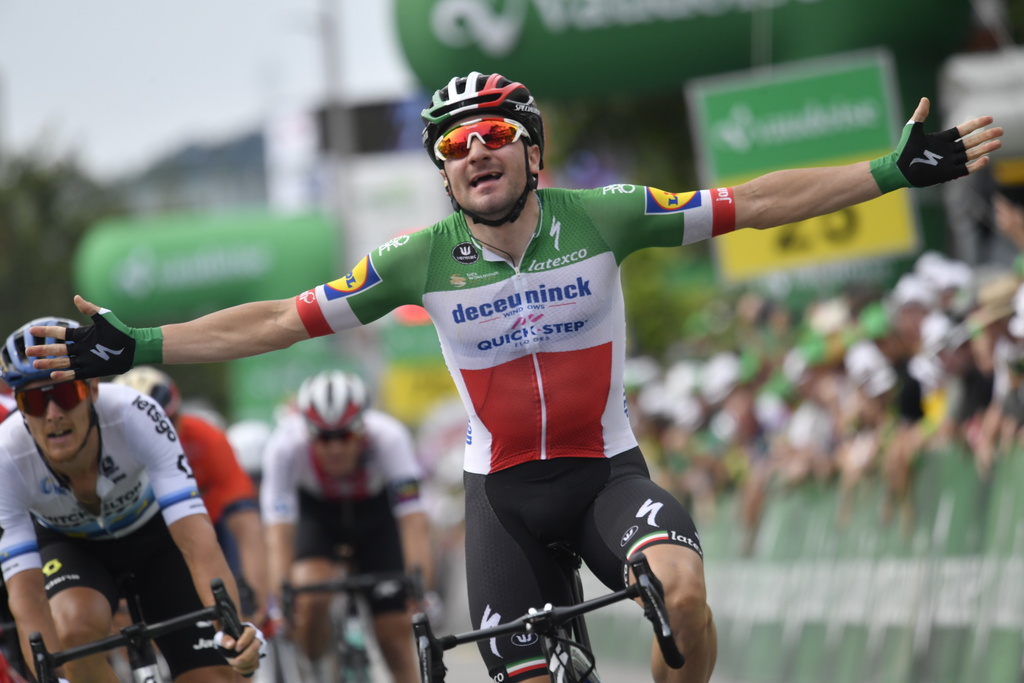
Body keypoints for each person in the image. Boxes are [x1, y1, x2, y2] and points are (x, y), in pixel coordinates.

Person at [26, 72, 1002, 683]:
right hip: (501, 497)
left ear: (531, 149)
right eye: (454, 145)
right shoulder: (416, 258)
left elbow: (756, 202)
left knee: (683, 591)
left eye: (494, 132)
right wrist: (143, 339)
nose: (476, 150)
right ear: (444, 177)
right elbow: (283, 317)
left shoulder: (609, 214)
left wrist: (888, 172)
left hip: (605, 473)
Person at [0, 318, 265, 682]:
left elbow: (196, 539)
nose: (52, 415)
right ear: (18, 406)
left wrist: (235, 630)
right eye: (33, 401)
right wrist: (48, 676)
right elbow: (25, 593)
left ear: (92, 388)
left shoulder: (135, 413)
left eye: (64, 394)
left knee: (216, 675)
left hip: (155, 539)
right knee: (72, 633)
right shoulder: (6, 454)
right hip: (73, 548)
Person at [262, 370, 432, 683]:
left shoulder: (390, 437)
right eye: (324, 438)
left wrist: (419, 586)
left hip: (375, 514)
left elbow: (413, 520)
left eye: (345, 436)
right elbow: (278, 531)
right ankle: (315, 666)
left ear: (362, 428)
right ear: (308, 432)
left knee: (394, 639)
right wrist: (283, 596)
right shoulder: (284, 446)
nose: (335, 448)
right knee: (309, 595)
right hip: (318, 514)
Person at [112, 367, 270, 626]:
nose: (156, 437)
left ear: (181, 416)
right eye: (138, 430)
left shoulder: (208, 439)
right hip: (146, 533)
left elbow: (246, 523)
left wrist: (257, 597)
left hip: (211, 527)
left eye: (167, 424)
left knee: (234, 609)